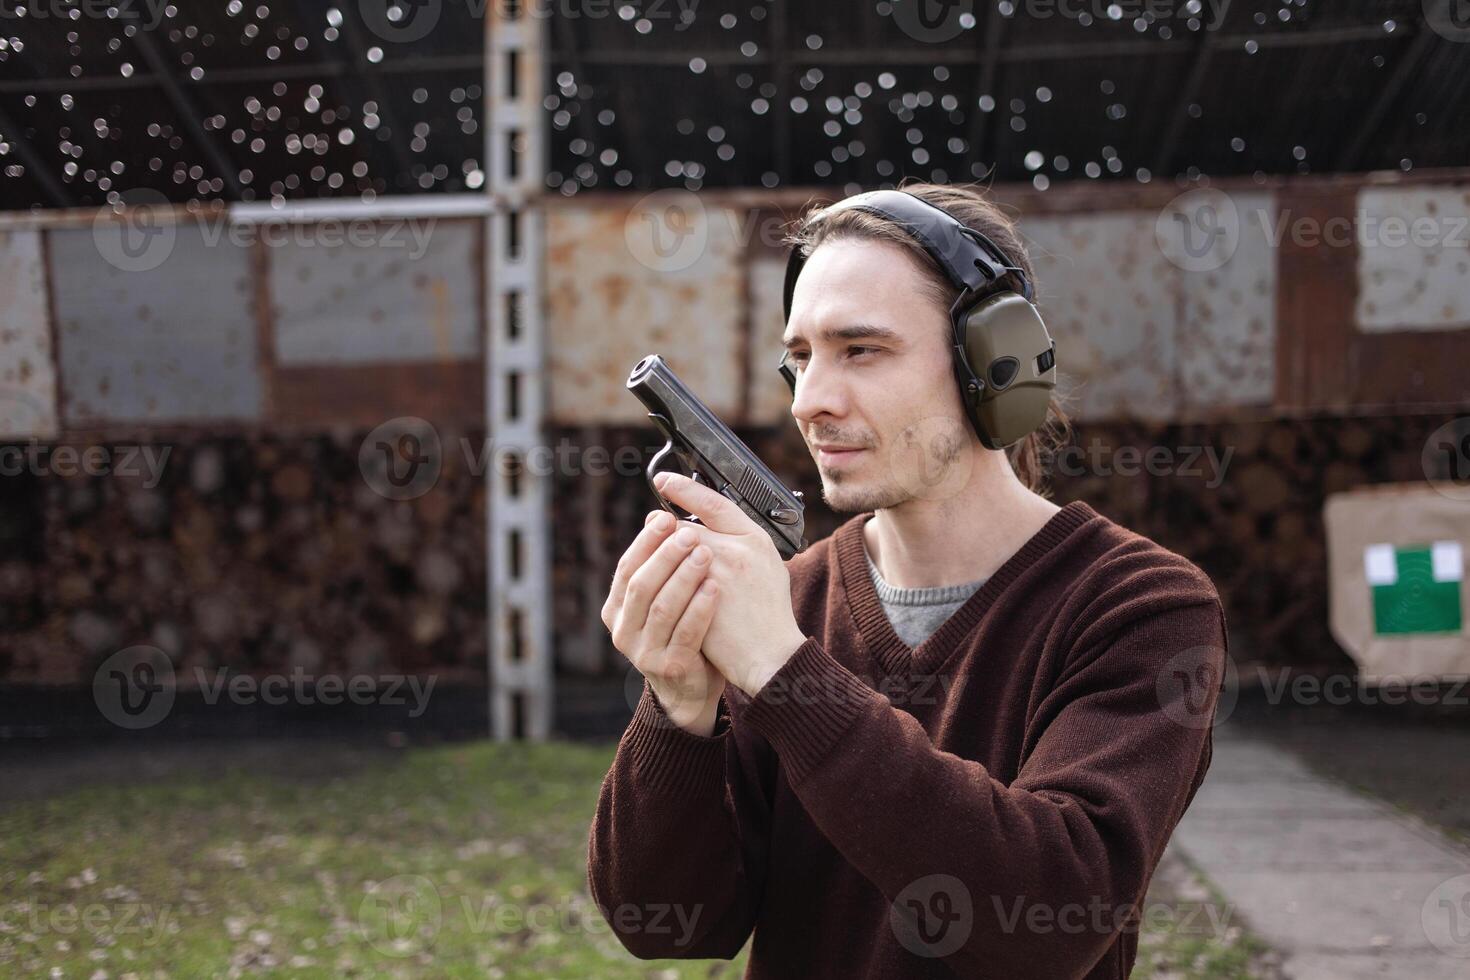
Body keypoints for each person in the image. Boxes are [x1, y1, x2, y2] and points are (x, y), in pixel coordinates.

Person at [588, 182, 1228, 978]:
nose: (812, 402)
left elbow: (1055, 914)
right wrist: (677, 714)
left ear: (992, 364)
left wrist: (786, 676)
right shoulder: (786, 605)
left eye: (861, 350)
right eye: (800, 359)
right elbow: (673, 929)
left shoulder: (1140, 608)